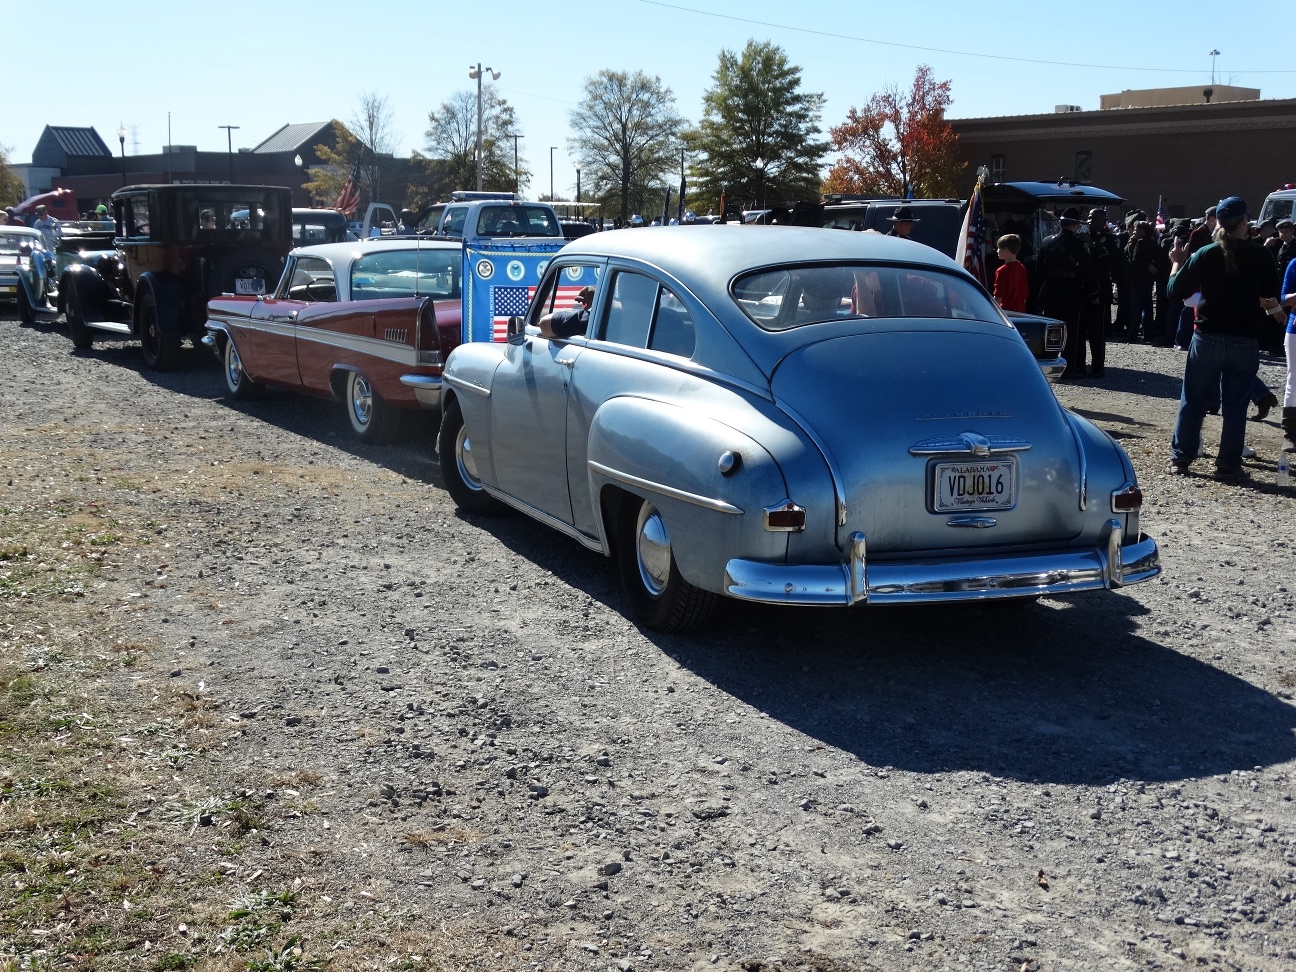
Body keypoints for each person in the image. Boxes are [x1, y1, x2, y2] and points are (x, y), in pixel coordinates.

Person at [1167, 196, 1283, 478]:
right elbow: (1269, 298)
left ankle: (1182, 458)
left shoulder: (1205, 253)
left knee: (1193, 400)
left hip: (1207, 336)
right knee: (1235, 405)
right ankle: (1228, 463)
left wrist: (1176, 263)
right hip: (1244, 339)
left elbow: (1173, 290)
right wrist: (1274, 313)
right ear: (1244, 222)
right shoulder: (1262, 255)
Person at [1037, 207, 1095, 379]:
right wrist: (1093, 291)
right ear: (1075, 225)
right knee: (1072, 330)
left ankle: (1050, 362)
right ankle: (1071, 366)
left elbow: (1040, 270)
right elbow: (1089, 270)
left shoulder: (1047, 241)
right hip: (1071, 288)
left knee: (1052, 329)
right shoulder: (1079, 244)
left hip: (1051, 288)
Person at [1083, 208, 1120, 376]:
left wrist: (1092, 245)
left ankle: (1098, 366)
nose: (1091, 221)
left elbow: (1110, 261)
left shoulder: (1111, 239)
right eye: (1089, 218)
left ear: (1103, 221)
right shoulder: (1082, 237)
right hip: (1084, 288)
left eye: (1095, 219)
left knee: (1097, 330)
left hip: (1100, 287)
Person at [1281, 256, 1296, 453]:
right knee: (1294, 379)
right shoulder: (1294, 264)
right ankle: (1290, 433)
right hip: (1295, 330)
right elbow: (1283, 299)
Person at [993, 234, 1028, 312]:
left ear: (1006, 250)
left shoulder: (1002, 271)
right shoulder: (1022, 268)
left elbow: (998, 297)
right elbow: (1024, 294)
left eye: (999, 248)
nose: (997, 251)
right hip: (1020, 311)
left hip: (1006, 312)